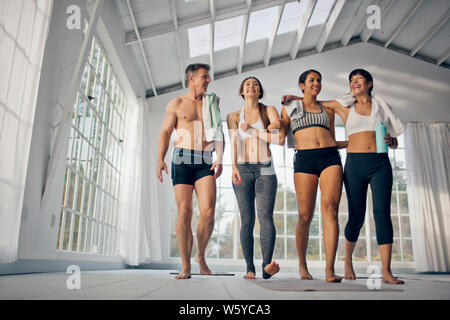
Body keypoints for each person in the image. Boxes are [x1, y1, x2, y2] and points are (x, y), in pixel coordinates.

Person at [283, 68, 404, 285]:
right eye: (352, 79)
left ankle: (380, 271)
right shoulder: (341, 107)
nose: (355, 81)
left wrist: (391, 142)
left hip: (369, 161)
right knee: (342, 216)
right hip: (347, 162)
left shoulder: (380, 107)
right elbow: (313, 103)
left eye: (359, 78)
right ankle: (336, 262)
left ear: (369, 83)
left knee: (374, 212)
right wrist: (295, 98)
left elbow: (392, 138)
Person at [156, 63, 224, 279]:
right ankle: (185, 266)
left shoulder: (211, 103)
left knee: (209, 213)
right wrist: (160, 159)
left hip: (205, 160)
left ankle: (200, 255)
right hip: (182, 160)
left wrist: (220, 158)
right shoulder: (176, 104)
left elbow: (219, 132)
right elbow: (166, 132)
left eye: (208, 77)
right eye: (204, 77)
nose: (208, 81)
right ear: (191, 79)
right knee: (184, 212)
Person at [280, 70, 347, 282]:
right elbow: (281, 134)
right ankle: (302, 265)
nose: (316, 83)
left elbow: (334, 140)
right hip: (305, 159)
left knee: (331, 211)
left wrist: (360, 143)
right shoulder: (288, 107)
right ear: (302, 85)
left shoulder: (328, 109)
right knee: (305, 216)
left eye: (319, 80)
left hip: (330, 157)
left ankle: (329, 270)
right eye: (312, 80)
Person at [227, 77, 284, 279]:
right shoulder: (233, 116)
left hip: (265, 169)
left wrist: (254, 130)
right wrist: (233, 166)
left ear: (259, 91)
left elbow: (278, 136)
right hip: (241, 168)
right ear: (241, 91)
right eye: (248, 84)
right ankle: (249, 268)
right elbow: (234, 142)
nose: (252, 86)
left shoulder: (267, 110)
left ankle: (267, 267)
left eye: (256, 84)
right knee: (247, 220)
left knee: (265, 217)